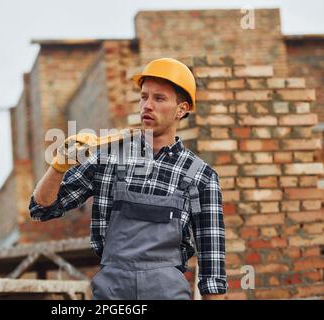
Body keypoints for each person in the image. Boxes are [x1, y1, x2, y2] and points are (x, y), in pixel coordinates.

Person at [29, 58, 227, 300]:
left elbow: (212, 268)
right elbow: (42, 207)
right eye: (144, 97)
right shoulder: (110, 157)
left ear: (182, 109)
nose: (147, 105)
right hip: (112, 294)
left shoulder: (201, 176)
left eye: (159, 98)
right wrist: (58, 166)